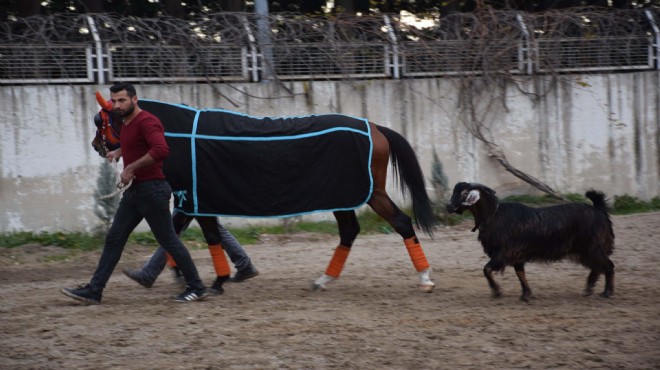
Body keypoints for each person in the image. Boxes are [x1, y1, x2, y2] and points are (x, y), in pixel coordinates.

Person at [61, 82, 208, 304]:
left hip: (152, 190)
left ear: (134, 99)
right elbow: (139, 145)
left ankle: (196, 287)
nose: (118, 105)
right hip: (135, 193)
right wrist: (120, 151)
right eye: (115, 101)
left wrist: (130, 168)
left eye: (122, 100)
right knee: (114, 238)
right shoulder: (126, 123)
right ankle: (94, 291)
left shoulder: (147, 121)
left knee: (168, 240)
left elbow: (161, 150)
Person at [122, 209, 259, 294]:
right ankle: (242, 266)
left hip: (195, 189)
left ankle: (154, 273)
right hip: (194, 187)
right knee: (208, 228)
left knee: (174, 230)